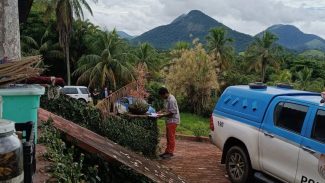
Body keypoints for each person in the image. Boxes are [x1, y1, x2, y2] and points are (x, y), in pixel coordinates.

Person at [158, 87, 180, 159]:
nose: (161, 97)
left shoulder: (172, 100)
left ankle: (170, 152)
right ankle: (167, 151)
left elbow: (172, 112)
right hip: (169, 121)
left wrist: (162, 115)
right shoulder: (167, 99)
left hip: (173, 121)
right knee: (168, 136)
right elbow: (165, 108)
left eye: (162, 96)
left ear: (165, 93)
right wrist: (160, 112)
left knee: (171, 137)